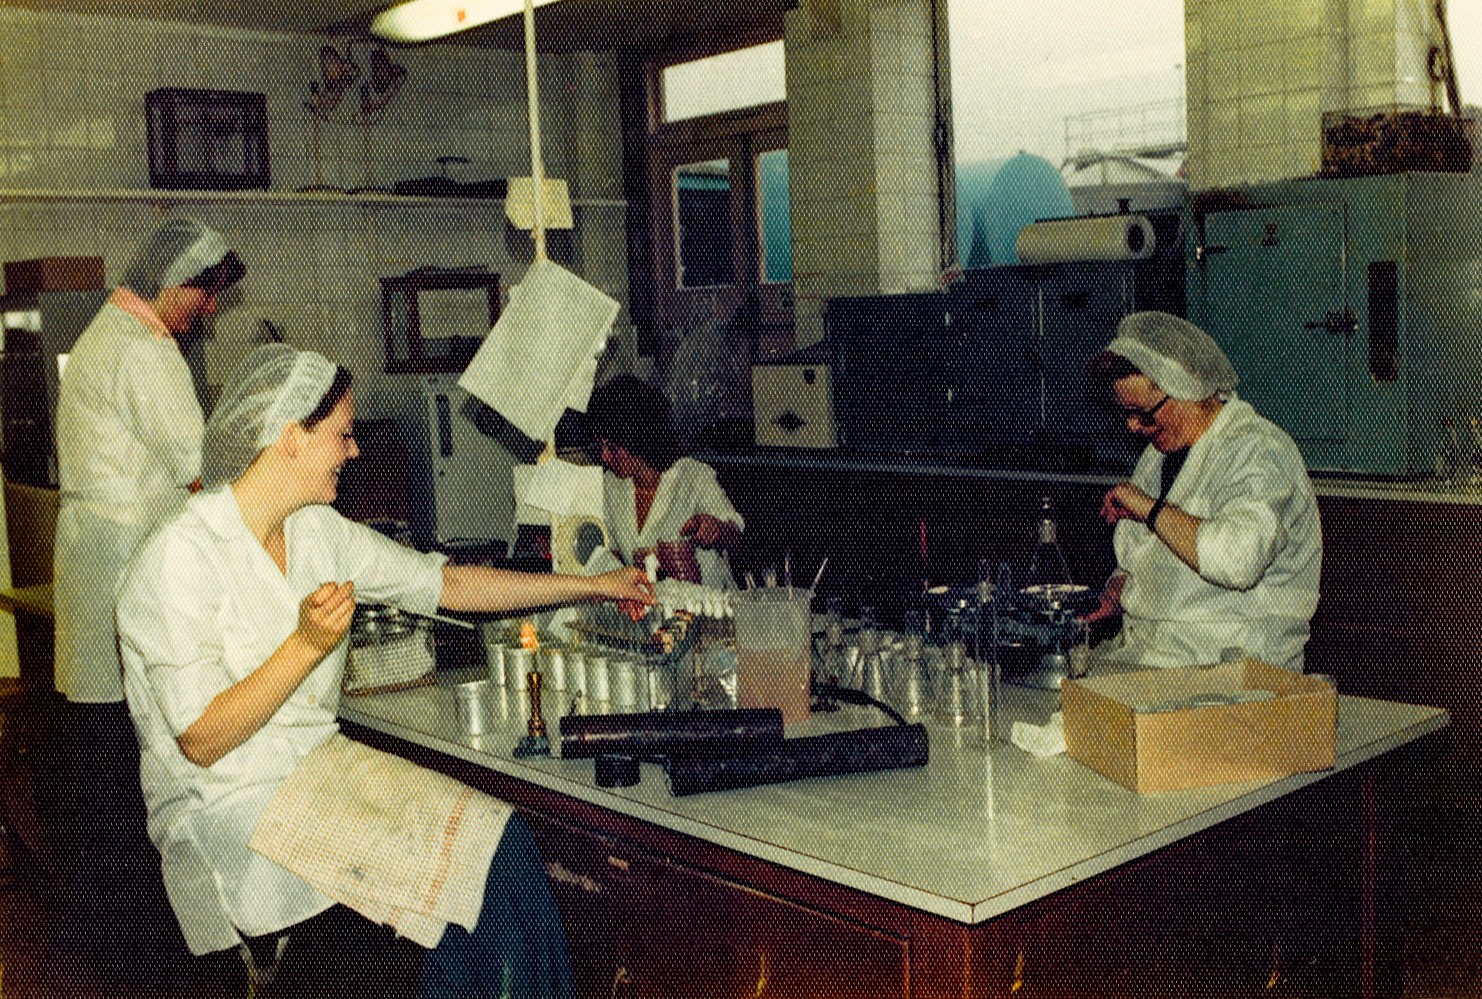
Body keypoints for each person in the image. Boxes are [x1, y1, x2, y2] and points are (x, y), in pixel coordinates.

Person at [116, 344, 655, 998]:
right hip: (226, 804)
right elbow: (201, 737)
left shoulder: (318, 532)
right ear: (290, 436)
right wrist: (306, 645)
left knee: (499, 848)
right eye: (341, 435)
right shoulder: (178, 556)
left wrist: (592, 585)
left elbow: (448, 582)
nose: (354, 451)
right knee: (457, 893)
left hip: (315, 770)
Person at [49, 215, 245, 982]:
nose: (211, 311)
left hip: (99, 563)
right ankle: (152, 962)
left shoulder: (104, 336)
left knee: (104, 770)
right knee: (140, 781)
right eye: (204, 295)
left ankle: (116, 955)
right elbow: (200, 470)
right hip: (128, 571)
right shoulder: (145, 352)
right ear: (172, 286)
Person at [1080, 311, 1322, 672]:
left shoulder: (1259, 451)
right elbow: (1146, 553)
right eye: (1124, 415)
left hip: (1235, 670)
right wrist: (1121, 586)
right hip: (1153, 659)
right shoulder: (1158, 456)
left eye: (1142, 413)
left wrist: (1150, 509)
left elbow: (1238, 560)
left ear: (1184, 388)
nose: (1133, 427)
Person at [584, 374, 743, 589]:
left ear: (637, 437)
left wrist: (716, 529)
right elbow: (608, 552)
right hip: (653, 613)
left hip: (707, 609)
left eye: (612, 447)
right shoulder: (610, 486)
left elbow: (736, 538)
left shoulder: (693, 477)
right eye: (600, 446)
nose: (604, 456)